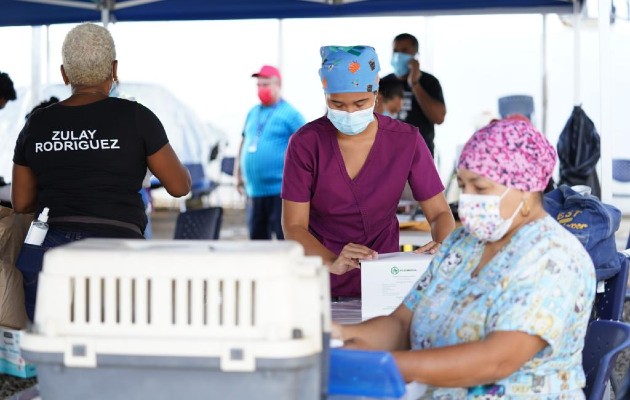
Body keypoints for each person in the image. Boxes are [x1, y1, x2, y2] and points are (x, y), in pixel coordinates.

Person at [333, 117, 596, 399]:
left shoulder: (553, 257)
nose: (467, 198)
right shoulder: (461, 244)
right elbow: (401, 324)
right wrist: (340, 336)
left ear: (526, 188)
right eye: (463, 185)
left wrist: (386, 366)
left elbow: (497, 360)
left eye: (480, 188)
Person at [12, 23, 191, 319]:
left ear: (64, 73)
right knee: (114, 344)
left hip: (50, 255)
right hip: (118, 253)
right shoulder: (137, 117)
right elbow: (179, 187)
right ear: (114, 69)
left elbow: (21, 202)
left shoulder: (37, 123)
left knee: (55, 346)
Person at [282, 45, 455, 298]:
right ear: (325, 96)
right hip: (320, 281)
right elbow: (294, 226)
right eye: (337, 104)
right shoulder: (306, 143)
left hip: (386, 282)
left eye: (360, 102)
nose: (350, 112)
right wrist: (333, 261)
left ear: (376, 92)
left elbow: (439, 212)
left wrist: (442, 244)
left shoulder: (406, 140)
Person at [235, 65, 305, 240]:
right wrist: (238, 173)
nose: (261, 89)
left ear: (278, 85)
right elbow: (244, 142)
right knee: (258, 241)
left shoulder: (291, 114)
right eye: (259, 85)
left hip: (280, 191)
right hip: (255, 191)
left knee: (284, 240)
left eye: (266, 84)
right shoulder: (253, 112)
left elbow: (307, 145)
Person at [385, 33, 445, 157]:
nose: (398, 55)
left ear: (415, 54)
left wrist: (414, 84)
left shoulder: (429, 82)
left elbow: (439, 118)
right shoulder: (383, 83)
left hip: (420, 155)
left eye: (404, 51)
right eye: (395, 51)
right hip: (388, 154)